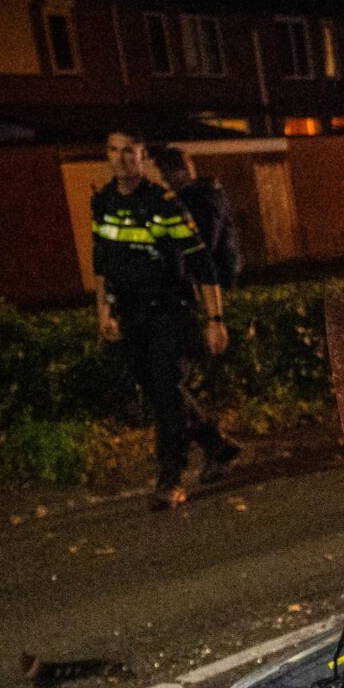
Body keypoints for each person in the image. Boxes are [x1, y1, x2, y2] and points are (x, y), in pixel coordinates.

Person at [92, 128, 236, 510]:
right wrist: (104, 312)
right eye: (114, 151)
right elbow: (103, 263)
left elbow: (201, 262)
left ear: (142, 158)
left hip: (167, 311)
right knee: (160, 390)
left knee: (167, 393)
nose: (122, 159)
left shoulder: (164, 203)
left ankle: (169, 477)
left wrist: (214, 318)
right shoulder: (103, 203)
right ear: (107, 156)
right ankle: (213, 441)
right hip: (130, 314)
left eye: (130, 152)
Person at [150, 144, 241, 288]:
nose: (163, 178)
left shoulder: (203, 198)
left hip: (214, 274)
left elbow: (207, 240)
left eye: (166, 172)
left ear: (182, 171)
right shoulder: (189, 197)